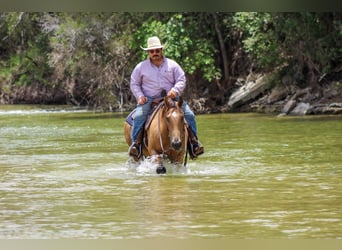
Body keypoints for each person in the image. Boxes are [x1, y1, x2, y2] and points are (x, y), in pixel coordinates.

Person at [129, 36, 204, 159]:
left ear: (161, 50)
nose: (155, 53)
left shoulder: (172, 65)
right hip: (149, 99)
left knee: (189, 114)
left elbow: (181, 79)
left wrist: (175, 90)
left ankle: (194, 143)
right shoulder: (141, 67)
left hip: (171, 99)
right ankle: (136, 145)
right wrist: (140, 96)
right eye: (152, 51)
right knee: (138, 116)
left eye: (157, 50)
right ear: (148, 52)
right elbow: (134, 83)